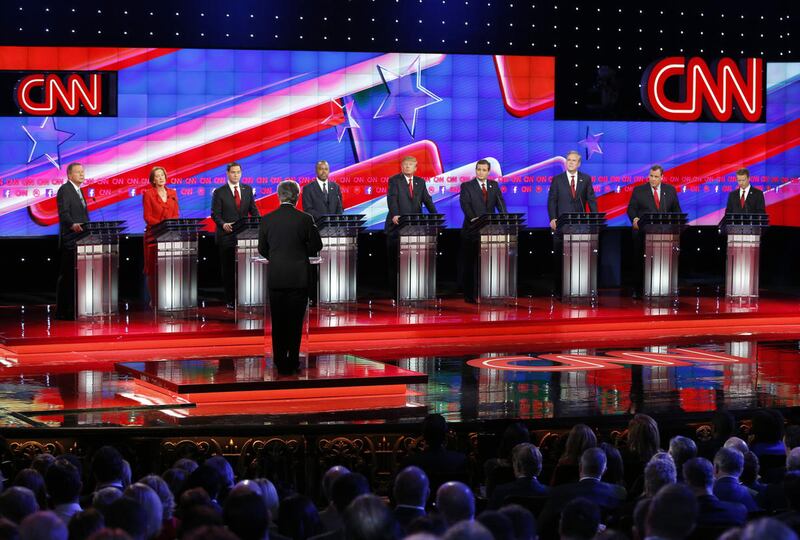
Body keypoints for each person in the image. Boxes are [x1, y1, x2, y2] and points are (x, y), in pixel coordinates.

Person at [258, 180, 323, 375]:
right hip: (298, 278)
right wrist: (301, 253)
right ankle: (292, 360)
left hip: (277, 277)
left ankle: (279, 361)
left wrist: (277, 259)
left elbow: (262, 249)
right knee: (295, 322)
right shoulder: (305, 218)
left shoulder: (267, 219)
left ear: (279, 196)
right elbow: (316, 246)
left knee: (278, 321)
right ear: (297, 196)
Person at [384, 156, 437, 298]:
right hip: (397, 226)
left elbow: (427, 200)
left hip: (415, 228)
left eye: (410, 165)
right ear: (401, 167)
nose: (407, 167)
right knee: (396, 262)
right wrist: (395, 214)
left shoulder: (420, 182)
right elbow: (392, 199)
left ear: (415, 167)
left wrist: (435, 216)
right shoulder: (394, 180)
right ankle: (396, 293)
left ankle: (414, 291)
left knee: (414, 261)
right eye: (405, 164)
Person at [626, 164, 682, 296]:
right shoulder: (639, 190)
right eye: (651, 176)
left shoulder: (670, 190)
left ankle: (666, 288)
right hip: (643, 233)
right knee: (639, 261)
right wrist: (634, 219)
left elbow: (677, 211)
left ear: (662, 177)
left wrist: (677, 223)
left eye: (656, 177)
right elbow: (631, 208)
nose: (653, 179)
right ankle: (638, 289)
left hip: (665, 234)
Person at [547, 150, 598, 295]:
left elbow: (591, 200)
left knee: (579, 258)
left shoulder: (586, 179)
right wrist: (552, 218)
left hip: (580, 226)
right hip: (562, 226)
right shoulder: (557, 179)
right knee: (560, 259)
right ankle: (559, 291)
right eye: (568, 159)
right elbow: (552, 201)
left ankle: (579, 289)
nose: (570, 162)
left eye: (573, 160)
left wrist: (595, 219)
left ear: (579, 163)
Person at [211, 162, 260, 310]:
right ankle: (231, 300)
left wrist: (259, 223)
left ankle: (246, 298)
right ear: (227, 173)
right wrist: (223, 224)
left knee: (245, 269)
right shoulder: (219, 192)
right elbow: (215, 214)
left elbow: (254, 211)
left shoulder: (247, 189)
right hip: (226, 237)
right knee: (229, 270)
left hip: (244, 237)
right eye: (233, 172)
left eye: (238, 172)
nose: (236, 175)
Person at [459, 159, 507, 303]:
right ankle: (470, 295)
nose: (481, 172)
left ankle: (487, 293)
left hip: (490, 231)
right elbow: (465, 204)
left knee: (488, 263)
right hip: (472, 231)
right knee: (470, 264)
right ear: (476, 170)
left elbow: (500, 204)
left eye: (484, 170)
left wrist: (505, 219)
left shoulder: (494, 185)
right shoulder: (467, 186)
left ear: (488, 171)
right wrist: (474, 218)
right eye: (478, 169)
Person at [55, 162, 90, 320]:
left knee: (77, 276)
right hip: (71, 239)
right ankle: (62, 311)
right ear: (69, 175)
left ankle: (74, 309)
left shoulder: (79, 190)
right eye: (78, 172)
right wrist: (72, 224)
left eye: (83, 172)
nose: (82, 174)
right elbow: (64, 213)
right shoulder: (65, 189)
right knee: (67, 276)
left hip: (82, 238)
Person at [142, 166, 180, 306]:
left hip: (170, 236)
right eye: (157, 176)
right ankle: (155, 300)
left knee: (170, 267)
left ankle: (170, 297)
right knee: (153, 269)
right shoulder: (148, 194)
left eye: (162, 175)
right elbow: (147, 217)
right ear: (153, 179)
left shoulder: (172, 193)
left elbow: (176, 214)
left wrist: (171, 227)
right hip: (154, 236)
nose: (161, 178)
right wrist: (162, 226)